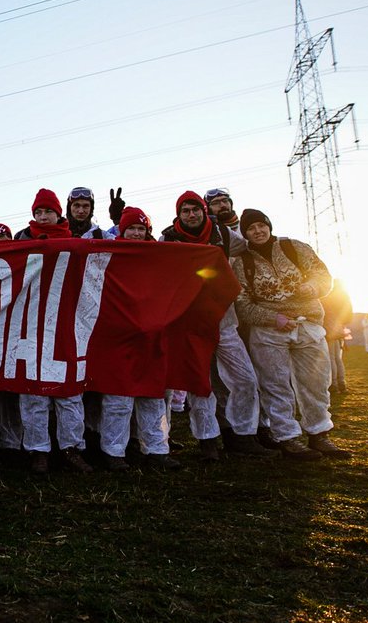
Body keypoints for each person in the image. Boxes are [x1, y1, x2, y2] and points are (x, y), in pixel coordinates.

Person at [159, 192, 276, 460]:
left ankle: (242, 435)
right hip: (189, 322)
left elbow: (250, 249)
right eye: (185, 211)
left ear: (203, 211)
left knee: (245, 379)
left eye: (195, 210)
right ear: (179, 214)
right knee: (200, 385)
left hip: (224, 319)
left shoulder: (223, 234)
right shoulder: (168, 238)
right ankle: (207, 440)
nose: (191, 215)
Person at [230, 209, 351, 460]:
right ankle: (288, 438)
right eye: (251, 229)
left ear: (269, 225)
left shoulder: (294, 247)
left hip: (307, 324)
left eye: (262, 225)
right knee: (275, 386)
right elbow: (242, 303)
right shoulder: (243, 262)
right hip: (268, 331)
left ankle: (319, 434)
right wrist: (273, 318)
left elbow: (322, 275)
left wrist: (313, 287)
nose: (258, 231)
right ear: (245, 234)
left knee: (316, 383)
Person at [14, 189, 92, 473]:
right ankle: (38, 450)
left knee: (69, 390)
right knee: (33, 391)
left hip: (66, 323)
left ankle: (71, 447)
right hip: (30, 323)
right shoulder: (21, 240)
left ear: (59, 213)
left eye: (47, 211)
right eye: (38, 212)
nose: (43, 216)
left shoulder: (75, 241)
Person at [98, 207, 180, 471]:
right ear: (122, 230)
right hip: (119, 336)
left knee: (152, 397)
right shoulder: (109, 255)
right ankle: (113, 452)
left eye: (141, 229)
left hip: (151, 336)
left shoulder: (157, 257)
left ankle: (157, 450)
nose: (135, 233)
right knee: (118, 399)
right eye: (131, 228)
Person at [322, 279, 352, 394]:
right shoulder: (345, 297)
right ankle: (342, 383)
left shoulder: (328, 297)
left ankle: (333, 384)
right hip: (340, 329)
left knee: (331, 358)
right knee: (338, 358)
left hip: (330, 330)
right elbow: (348, 315)